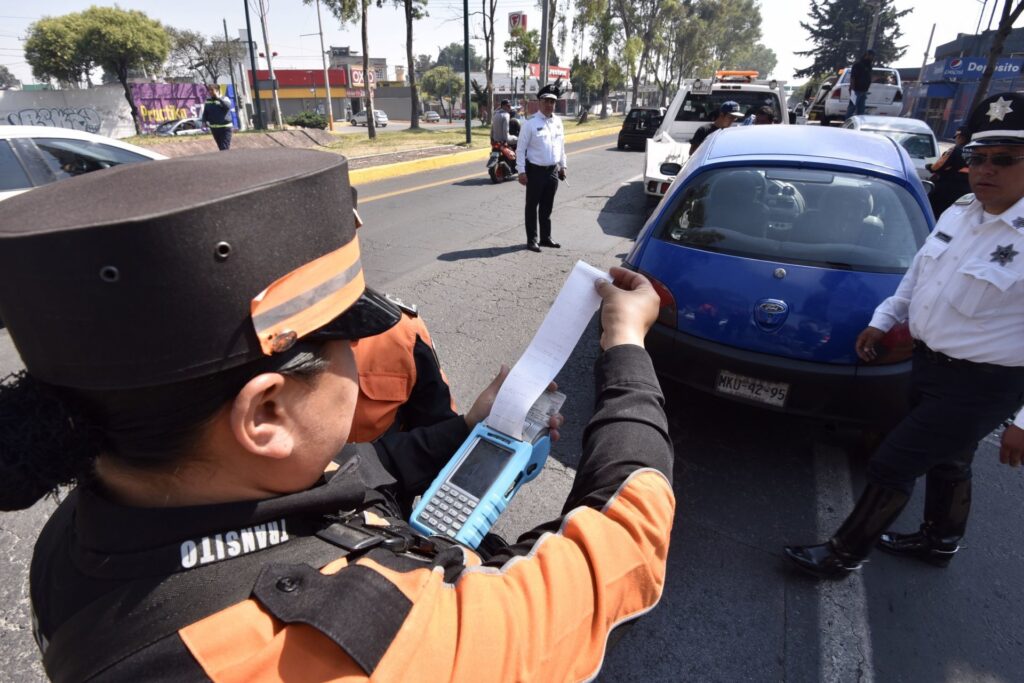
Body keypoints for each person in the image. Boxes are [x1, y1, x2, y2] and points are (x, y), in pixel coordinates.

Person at [0, 148, 675, 680]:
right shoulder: (362, 644)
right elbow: (626, 535)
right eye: (346, 342)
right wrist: (623, 343)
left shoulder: (88, 527)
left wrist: (469, 430)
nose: (363, 357)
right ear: (265, 411)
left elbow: (347, 476)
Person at [783, 92, 1024, 579]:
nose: (985, 169)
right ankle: (940, 540)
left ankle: (843, 554)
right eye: (978, 158)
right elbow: (919, 276)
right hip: (930, 364)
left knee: (892, 463)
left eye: (1004, 160)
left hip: (985, 384)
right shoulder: (960, 212)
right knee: (950, 459)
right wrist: (884, 317)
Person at [517, 81, 567, 252]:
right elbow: (520, 149)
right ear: (539, 102)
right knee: (532, 206)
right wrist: (521, 171)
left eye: (552, 101)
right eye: (546, 101)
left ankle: (546, 238)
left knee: (547, 207)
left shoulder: (558, 122)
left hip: (552, 171)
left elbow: (561, 146)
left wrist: (562, 166)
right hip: (535, 171)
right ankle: (532, 240)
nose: (549, 104)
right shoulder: (530, 124)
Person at [926, 125, 971, 218]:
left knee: (933, 210)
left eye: (957, 138)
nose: (956, 140)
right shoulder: (976, 150)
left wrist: (930, 166)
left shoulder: (956, 149)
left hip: (949, 186)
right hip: (969, 188)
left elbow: (938, 166)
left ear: (960, 137)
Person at [201, 83, 234, 151]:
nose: (210, 92)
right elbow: (205, 113)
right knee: (221, 148)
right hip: (214, 129)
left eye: (212, 90)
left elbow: (227, 107)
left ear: (217, 90)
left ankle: (226, 161)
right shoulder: (208, 101)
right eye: (209, 90)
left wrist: (218, 98)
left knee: (224, 148)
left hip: (225, 128)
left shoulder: (225, 98)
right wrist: (203, 122)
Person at [846, 50, 874, 119]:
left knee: (861, 110)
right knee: (851, 108)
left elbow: (869, 77)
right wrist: (852, 89)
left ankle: (859, 124)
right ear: (867, 55)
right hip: (856, 90)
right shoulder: (857, 65)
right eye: (871, 56)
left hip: (864, 91)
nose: (872, 58)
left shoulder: (869, 65)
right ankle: (846, 122)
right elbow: (853, 77)